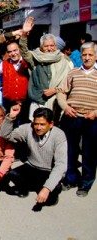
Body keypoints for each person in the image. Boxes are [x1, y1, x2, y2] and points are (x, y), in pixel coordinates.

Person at [0, 106, 67, 211]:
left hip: (48, 171)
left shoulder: (59, 135)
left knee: (50, 200)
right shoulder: (28, 128)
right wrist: (10, 118)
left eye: (42, 124)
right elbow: (6, 135)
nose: (38, 127)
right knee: (12, 174)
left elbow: (61, 164)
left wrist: (47, 188)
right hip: (32, 166)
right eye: (36, 124)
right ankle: (26, 189)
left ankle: (41, 187)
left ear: (51, 124)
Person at [57, 42, 97, 197]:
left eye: (90, 55)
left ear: (95, 56)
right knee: (70, 151)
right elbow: (61, 91)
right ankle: (71, 178)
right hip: (72, 117)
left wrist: (95, 112)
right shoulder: (73, 72)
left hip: (92, 119)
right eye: (84, 55)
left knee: (90, 152)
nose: (87, 58)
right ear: (81, 56)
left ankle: (86, 183)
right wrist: (65, 107)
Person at [19, 17, 72, 122]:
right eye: (46, 46)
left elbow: (69, 81)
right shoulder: (35, 58)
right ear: (41, 47)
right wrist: (24, 34)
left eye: (52, 45)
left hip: (56, 101)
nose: (49, 48)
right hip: (38, 101)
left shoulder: (63, 60)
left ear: (56, 46)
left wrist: (55, 90)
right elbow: (24, 52)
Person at [0, 41, 30, 125]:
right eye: (10, 52)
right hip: (9, 102)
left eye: (15, 50)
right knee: (9, 126)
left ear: (20, 50)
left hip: (25, 102)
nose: (13, 54)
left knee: (24, 126)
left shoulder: (28, 62)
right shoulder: (4, 64)